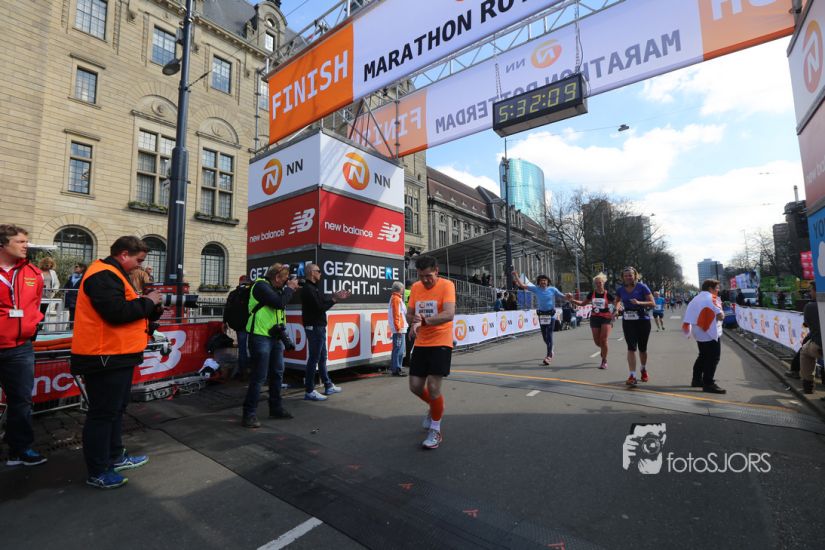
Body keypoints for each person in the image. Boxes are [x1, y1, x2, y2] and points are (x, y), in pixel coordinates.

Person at [71, 236, 164, 488]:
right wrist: (148, 301)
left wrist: (150, 307)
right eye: (138, 260)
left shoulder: (113, 274)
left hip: (116, 355)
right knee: (103, 413)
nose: (140, 266)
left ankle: (114, 456)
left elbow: (125, 309)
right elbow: (117, 313)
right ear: (124, 254)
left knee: (114, 410)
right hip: (104, 356)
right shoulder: (103, 274)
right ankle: (98, 470)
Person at [0, 224, 47, 467]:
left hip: (20, 348)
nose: (25, 246)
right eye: (20, 241)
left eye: (26, 241)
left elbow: (35, 304)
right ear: (2, 244)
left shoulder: (34, 273)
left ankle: (20, 450)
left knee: (21, 400)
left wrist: (32, 324)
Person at [406, 255, 456, 450]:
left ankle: (435, 430)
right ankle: (436, 407)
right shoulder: (416, 287)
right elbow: (409, 314)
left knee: (433, 386)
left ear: (436, 271)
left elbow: (449, 313)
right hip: (421, 342)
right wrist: (413, 321)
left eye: (428, 276)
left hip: (441, 340)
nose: (425, 280)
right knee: (415, 386)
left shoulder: (447, 285)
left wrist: (424, 322)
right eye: (421, 276)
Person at [242, 263, 299, 427]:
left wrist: (288, 289)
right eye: (284, 279)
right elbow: (279, 303)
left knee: (277, 373)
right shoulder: (261, 286)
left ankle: (275, 408)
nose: (286, 282)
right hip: (260, 336)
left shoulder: (276, 289)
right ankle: (249, 414)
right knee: (259, 376)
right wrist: (289, 289)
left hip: (275, 336)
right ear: (277, 277)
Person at [300, 263, 350, 401]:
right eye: (319, 271)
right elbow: (320, 308)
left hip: (318, 327)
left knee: (322, 358)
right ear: (312, 272)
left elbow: (322, 302)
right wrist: (334, 299)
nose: (321, 273)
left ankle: (328, 385)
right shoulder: (308, 289)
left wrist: (335, 297)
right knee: (314, 359)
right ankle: (309, 391)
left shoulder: (313, 288)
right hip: (315, 328)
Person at [512, 271, 569, 365]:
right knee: (544, 336)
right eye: (541, 281)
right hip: (542, 315)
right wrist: (516, 276)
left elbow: (563, 297)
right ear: (539, 282)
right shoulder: (536, 289)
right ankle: (551, 348)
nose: (543, 282)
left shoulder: (553, 289)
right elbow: (522, 285)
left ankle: (548, 356)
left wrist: (569, 296)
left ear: (548, 282)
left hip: (551, 315)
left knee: (549, 335)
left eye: (545, 280)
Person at [682, 279, 726, 394]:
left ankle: (696, 379)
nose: (718, 290)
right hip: (710, 332)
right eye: (717, 288)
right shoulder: (712, 298)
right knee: (713, 358)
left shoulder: (695, 299)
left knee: (703, 356)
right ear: (710, 288)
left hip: (698, 331)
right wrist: (723, 313)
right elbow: (720, 316)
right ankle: (708, 383)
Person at [615, 266, 655, 387]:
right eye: (626, 276)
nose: (628, 277)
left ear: (635, 276)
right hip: (628, 320)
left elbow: (652, 303)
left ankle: (643, 369)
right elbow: (617, 301)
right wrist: (617, 309)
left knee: (642, 349)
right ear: (622, 277)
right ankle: (632, 375)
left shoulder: (642, 287)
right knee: (631, 348)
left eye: (630, 275)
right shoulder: (620, 289)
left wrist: (639, 302)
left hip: (642, 320)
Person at [568, 273, 615, 369]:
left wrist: (616, 311)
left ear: (603, 283)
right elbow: (583, 303)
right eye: (596, 283)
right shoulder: (592, 293)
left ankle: (604, 360)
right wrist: (572, 300)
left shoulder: (608, 294)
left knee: (603, 340)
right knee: (597, 342)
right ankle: (603, 350)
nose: (598, 284)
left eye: (600, 282)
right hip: (594, 318)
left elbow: (616, 303)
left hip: (606, 318)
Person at [223, 276, 252, 380]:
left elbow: (227, 308)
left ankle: (243, 372)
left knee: (242, 349)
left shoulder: (233, 293)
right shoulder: (251, 292)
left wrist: (224, 321)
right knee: (253, 348)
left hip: (239, 325)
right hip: (252, 324)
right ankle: (254, 371)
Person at [800, 289, 822, 395]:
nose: (810, 293)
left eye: (811, 290)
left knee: (804, 351)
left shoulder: (810, 306)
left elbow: (806, 324)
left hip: (819, 345)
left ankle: (808, 386)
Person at [387, 281, 408, 377]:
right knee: (399, 349)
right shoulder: (396, 299)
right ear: (400, 289)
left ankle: (396, 368)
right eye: (402, 288)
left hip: (399, 327)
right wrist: (398, 328)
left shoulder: (395, 298)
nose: (403, 289)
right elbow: (396, 314)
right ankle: (397, 369)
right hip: (399, 328)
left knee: (398, 349)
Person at [38, 256, 60, 323]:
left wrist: (54, 290)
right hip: (38, 294)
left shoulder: (53, 272)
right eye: (47, 263)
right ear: (43, 263)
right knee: (36, 311)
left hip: (48, 295)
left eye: (50, 263)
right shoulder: (38, 271)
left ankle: (40, 326)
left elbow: (57, 283)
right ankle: (35, 325)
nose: (48, 265)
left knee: (43, 311)